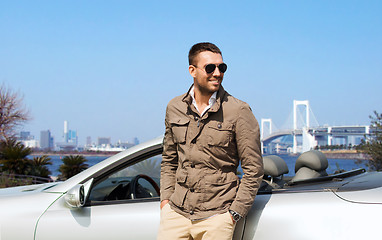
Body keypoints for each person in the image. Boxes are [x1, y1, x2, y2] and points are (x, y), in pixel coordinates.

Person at [157, 42, 263, 240]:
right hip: (176, 214)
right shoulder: (174, 107)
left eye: (221, 67)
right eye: (210, 67)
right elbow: (169, 160)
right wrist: (165, 201)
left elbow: (253, 169)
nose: (217, 73)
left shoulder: (239, 111)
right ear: (192, 70)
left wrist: (233, 214)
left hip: (217, 216)